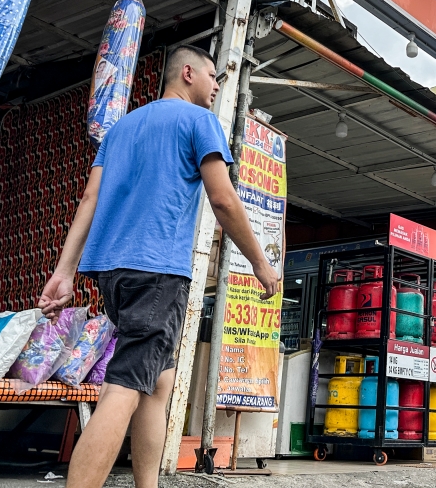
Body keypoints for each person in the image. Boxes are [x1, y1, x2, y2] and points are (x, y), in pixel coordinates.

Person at [38, 45, 280, 488]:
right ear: (187, 73)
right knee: (123, 387)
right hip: (157, 272)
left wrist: (64, 271)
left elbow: (89, 200)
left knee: (158, 382)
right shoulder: (199, 121)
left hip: (112, 273)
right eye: (213, 76)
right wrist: (261, 264)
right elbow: (223, 199)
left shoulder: (120, 129)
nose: (216, 88)